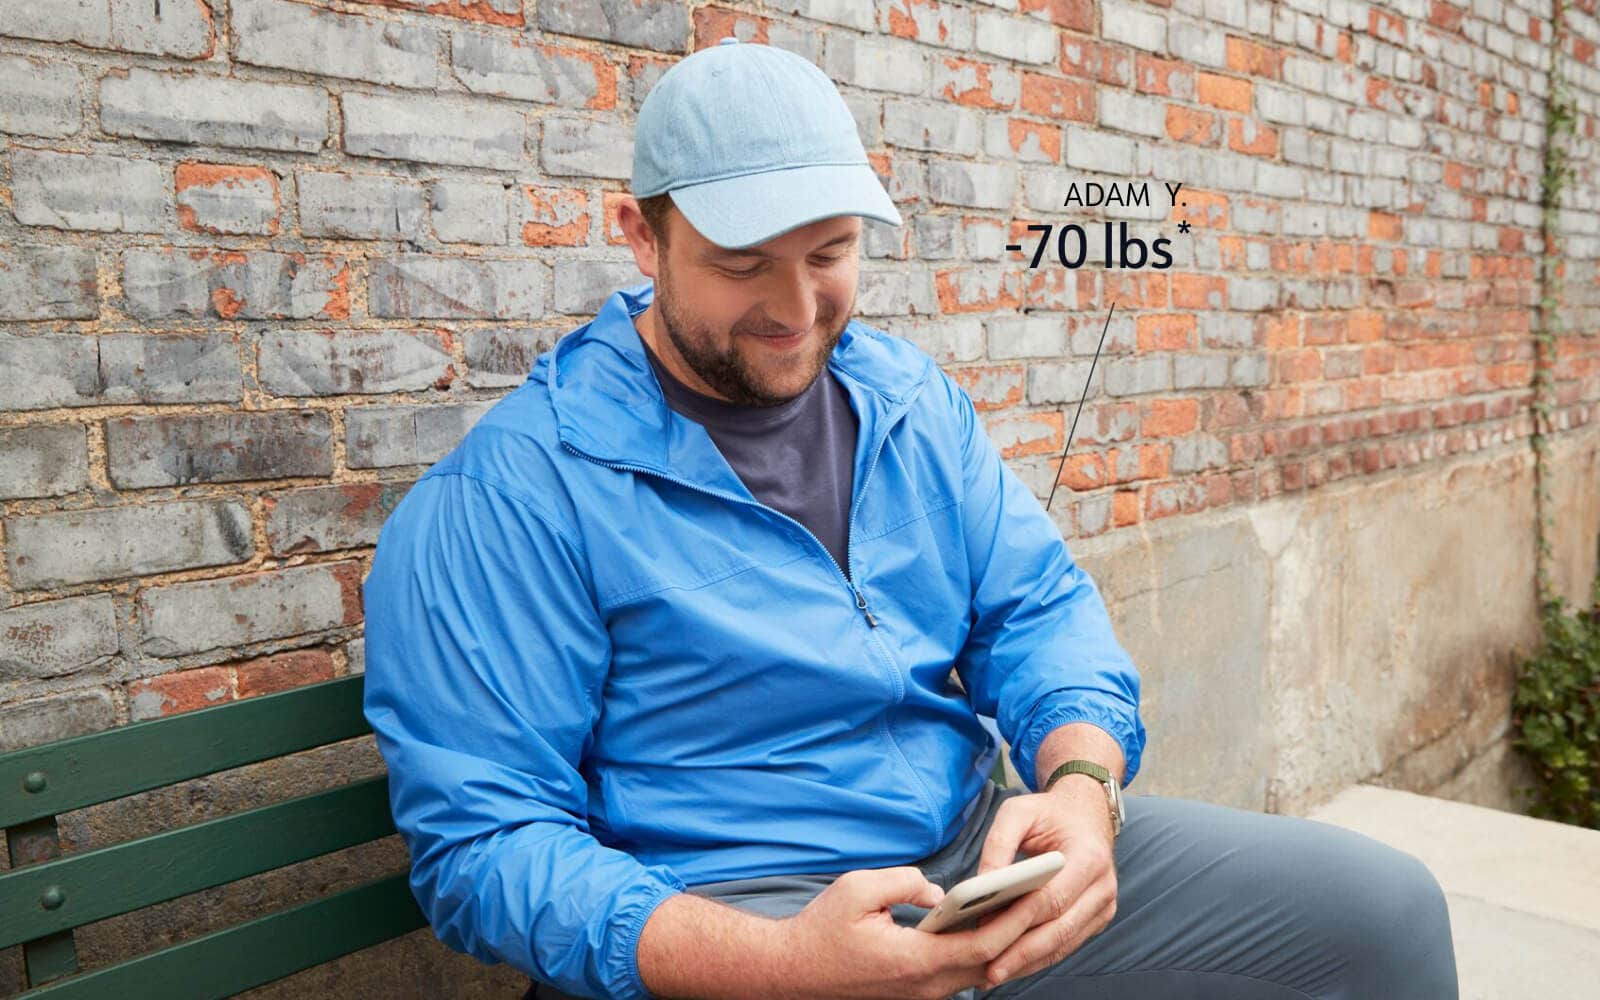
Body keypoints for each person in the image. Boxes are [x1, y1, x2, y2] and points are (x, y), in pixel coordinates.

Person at [360, 38, 1459, 1000]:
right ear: (640, 239)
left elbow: (1035, 613)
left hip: (973, 860)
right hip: (739, 916)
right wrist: (781, 965)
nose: (796, 313)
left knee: (1382, 909)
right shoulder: (510, 494)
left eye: (829, 254)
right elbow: (485, 849)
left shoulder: (906, 402)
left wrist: (1080, 790)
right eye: (743, 264)